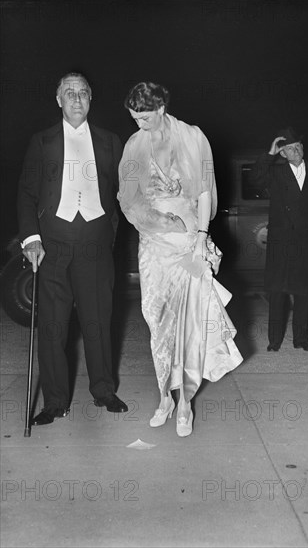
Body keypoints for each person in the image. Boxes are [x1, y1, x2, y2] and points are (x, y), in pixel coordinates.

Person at [117, 82, 242, 437]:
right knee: (156, 320)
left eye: (144, 117)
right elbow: (129, 200)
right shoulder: (133, 145)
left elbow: (204, 191)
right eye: (134, 118)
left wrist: (202, 237)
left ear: (161, 108)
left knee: (188, 322)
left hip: (189, 240)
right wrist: (157, 221)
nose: (139, 124)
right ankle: (164, 397)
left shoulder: (192, 137)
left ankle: (184, 402)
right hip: (153, 242)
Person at [18, 72, 128, 425]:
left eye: (82, 93)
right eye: (69, 93)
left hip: (95, 245)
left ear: (91, 99)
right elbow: (26, 193)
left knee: (98, 320)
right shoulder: (42, 141)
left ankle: (104, 390)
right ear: (58, 99)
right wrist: (31, 238)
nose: (76, 99)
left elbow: (126, 194)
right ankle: (55, 401)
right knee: (52, 326)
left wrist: (111, 234)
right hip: (52, 247)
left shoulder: (112, 142)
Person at [250, 127, 308, 352]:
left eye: (298, 146)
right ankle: (274, 340)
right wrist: (270, 153)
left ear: (303, 148)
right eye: (289, 148)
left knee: (304, 292)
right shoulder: (275, 173)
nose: (295, 150)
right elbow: (255, 179)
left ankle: (302, 339)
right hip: (281, 242)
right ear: (282, 153)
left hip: (306, 241)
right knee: (277, 293)